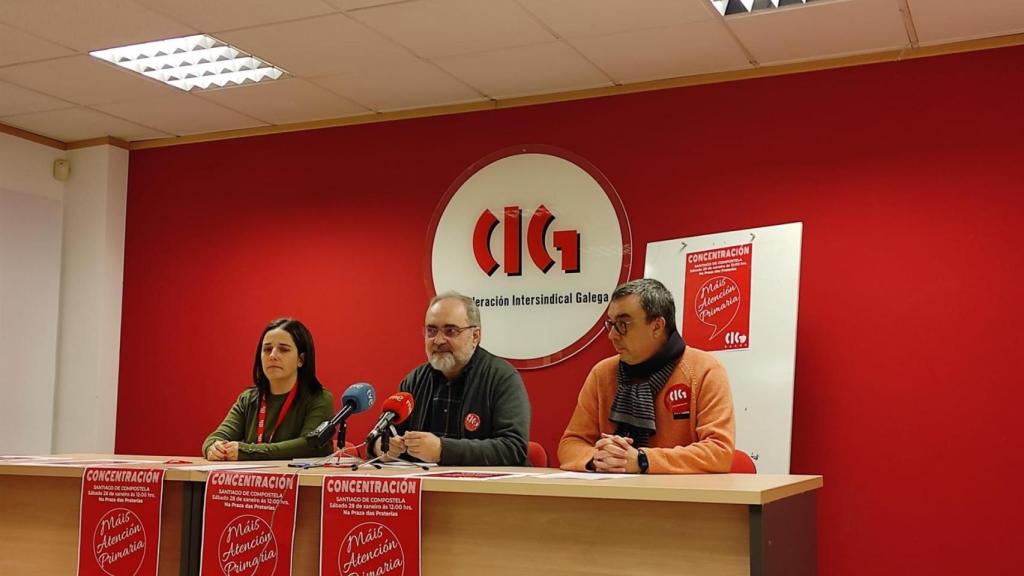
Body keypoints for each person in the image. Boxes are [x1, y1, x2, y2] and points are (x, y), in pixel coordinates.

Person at [558, 279, 735, 474]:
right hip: (612, 499)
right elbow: (570, 445)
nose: (612, 335)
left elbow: (719, 452)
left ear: (657, 326)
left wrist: (643, 460)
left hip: (682, 499)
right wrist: (598, 458)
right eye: (611, 324)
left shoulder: (705, 369)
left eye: (623, 324)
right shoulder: (602, 373)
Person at [369, 292, 530, 466]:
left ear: (475, 336)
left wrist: (443, 450)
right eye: (431, 331)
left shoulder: (502, 378)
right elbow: (377, 436)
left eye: (450, 331)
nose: (438, 340)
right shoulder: (414, 381)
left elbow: (513, 448)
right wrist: (382, 447)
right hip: (427, 487)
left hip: (483, 490)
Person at [203, 318, 335, 461]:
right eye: (267, 349)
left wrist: (249, 451)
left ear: (301, 359)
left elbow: (310, 446)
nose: (272, 355)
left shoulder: (319, 398)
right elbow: (215, 438)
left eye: (283, 349)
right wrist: (213, 448)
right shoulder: (248, 399)